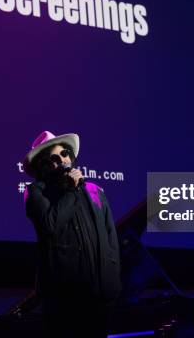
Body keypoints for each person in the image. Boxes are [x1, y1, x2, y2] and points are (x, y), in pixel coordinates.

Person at [22, 131, 122, 338]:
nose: (62, 160)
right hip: (64, 297)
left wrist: (113, 281)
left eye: (65, 153)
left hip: (101, 295)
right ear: (43, 166)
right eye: (53, 159)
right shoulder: (36, 192)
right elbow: (50, 227)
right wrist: (70, 191)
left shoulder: (95, 191)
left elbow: (111, 237)